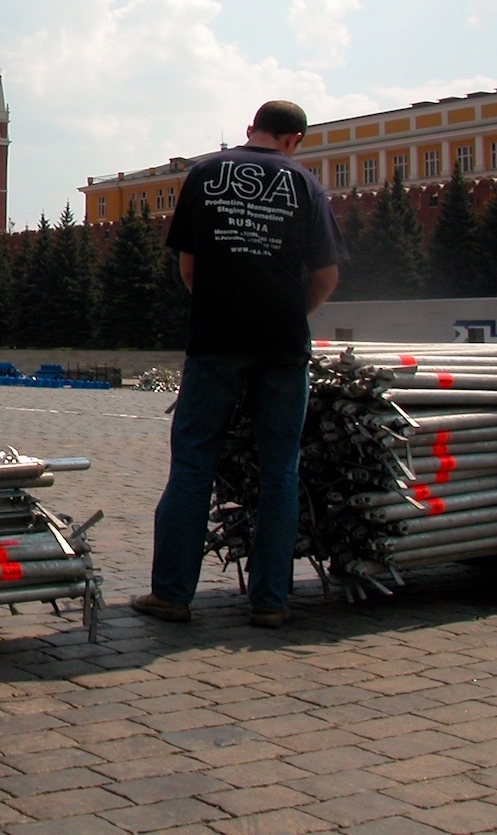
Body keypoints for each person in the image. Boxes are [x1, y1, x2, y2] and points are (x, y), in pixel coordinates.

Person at [132, 101, 343, 630]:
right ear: (294, 139)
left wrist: (218, 307)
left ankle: (172, 595)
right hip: (282, 344)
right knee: (279, 471)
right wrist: (293, 311)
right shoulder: (306, 184)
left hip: (215, 340)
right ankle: (271, 602)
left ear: (251, 130)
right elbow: (326, 277)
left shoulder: (204, 173)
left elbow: (188, 267)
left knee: (193, 464)